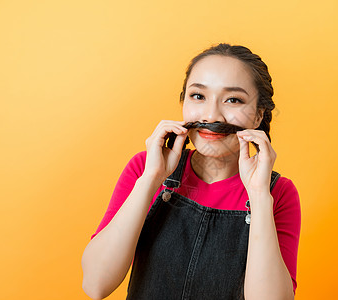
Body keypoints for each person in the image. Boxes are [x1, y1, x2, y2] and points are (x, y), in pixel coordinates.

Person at [81, 43, 301, 300]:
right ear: (183, 101)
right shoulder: (145, 168)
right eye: (198, 96)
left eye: (233, 99)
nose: (211, 115)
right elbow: (95, 284)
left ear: (258, 116)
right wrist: (152, 179)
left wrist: (259, 196)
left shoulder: (278, 193)